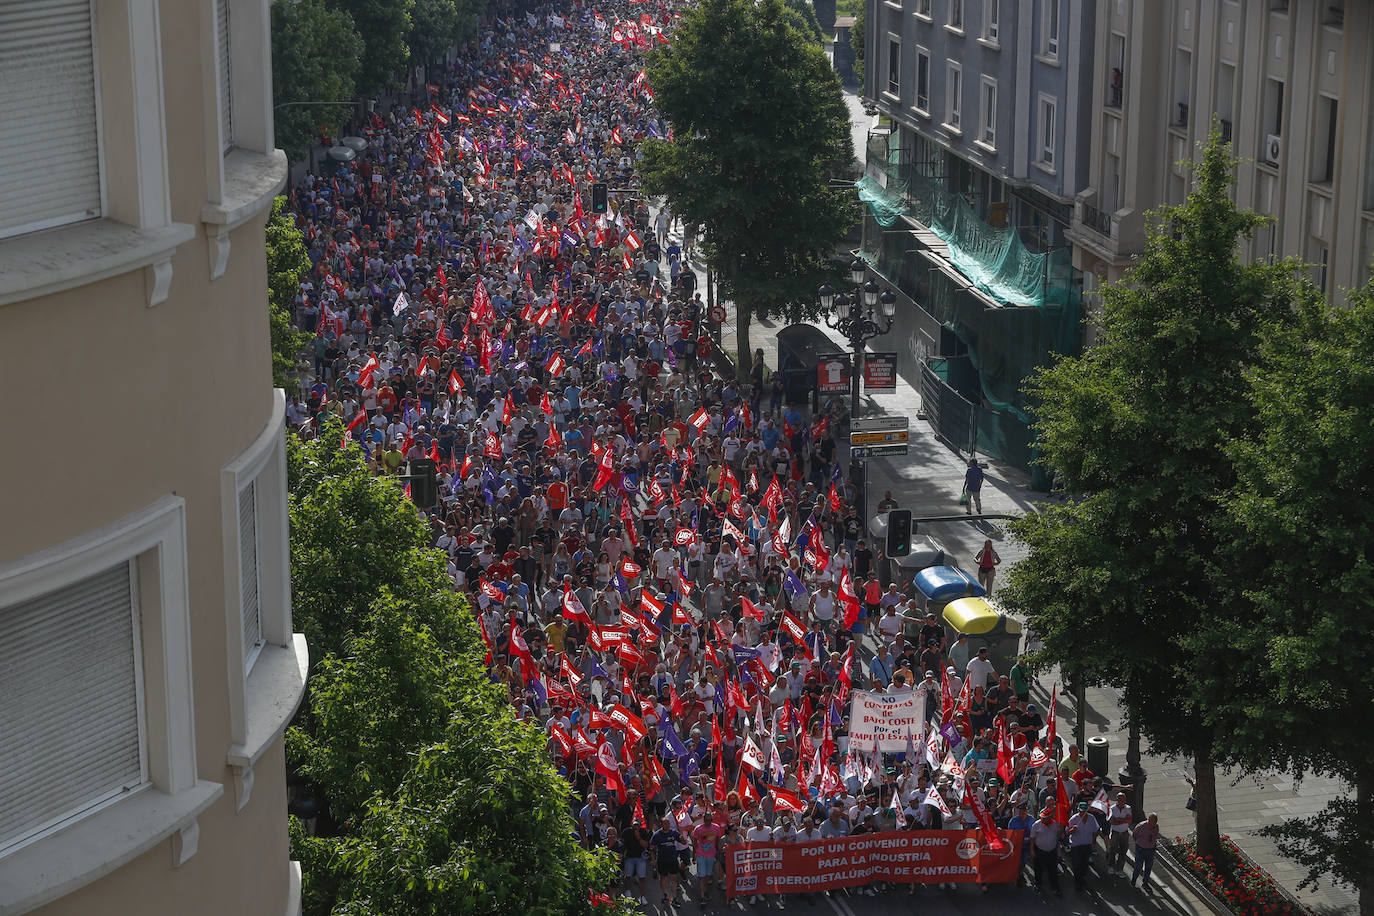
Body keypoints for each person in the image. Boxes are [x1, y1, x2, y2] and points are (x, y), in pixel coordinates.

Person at [1029, 806, 1062, 895]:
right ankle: (1037, 885)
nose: (1042, 819)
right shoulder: (1036, 824)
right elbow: (1032, 838)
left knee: (1052, 870)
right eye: (1042, 817)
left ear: (1049, 817)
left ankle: (1055, 887)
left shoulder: (1055, 824)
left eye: (1045, 818)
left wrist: (1060, 828)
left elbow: (1059, 836)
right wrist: (1032, 850)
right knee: (1038, 869)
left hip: (1051, 851)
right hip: (1039, 851)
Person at [1067, 801, 1099, 892]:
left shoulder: (1092, 818)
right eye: (1081, 811)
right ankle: (1077, 882)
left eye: (1084, 811)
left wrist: (1093, 841)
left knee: (1084, 864)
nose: (1082, 813)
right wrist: (1072, 830)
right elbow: (1066, 832)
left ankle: (1081, 877)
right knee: (1076, 864)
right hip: (1076, 845)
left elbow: (1096, 830)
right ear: (1078, 810)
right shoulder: (1074, 819)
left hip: (1087, 845)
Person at [650, 816, 683, 904]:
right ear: (661, 824)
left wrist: (682, 837)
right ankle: (665, 894)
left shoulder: (674, 833)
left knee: (674, 878)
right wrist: (653, 860)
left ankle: (674, 897)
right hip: (662, 860)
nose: (667, 825)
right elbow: (651, 848)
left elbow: (683, 842)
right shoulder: (657, 835)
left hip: (673, 860)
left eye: (668, 823)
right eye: (665, 823)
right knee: (663, 878)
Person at [1131, 812, 1160, 889]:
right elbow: (1134, 834)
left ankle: (1145, 883)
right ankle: (1134, 880)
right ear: (1149, 820)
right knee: (1138, 866)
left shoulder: (1156, 827)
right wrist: (1139, 843)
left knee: (1148, 867)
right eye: (1153, 822)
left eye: (1155, 822)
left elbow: (1155, 836)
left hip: (1150, 850)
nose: (1154, 824)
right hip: (1141, 849)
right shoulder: (1141, 826)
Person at [1107, 791, 1133, 876]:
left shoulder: (1128, 808)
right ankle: (1111, 867)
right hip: (1115, 833)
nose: (1122, 800)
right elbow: (1112, 822)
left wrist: (1118, 819)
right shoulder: (1112, 808)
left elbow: (1129, 821)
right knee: (1113, 850)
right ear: (1117, 799)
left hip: (1125, 833)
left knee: (1123, 851)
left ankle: (1119, 869)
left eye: (1123, 799)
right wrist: (1123, 820)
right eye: (1120, 799)